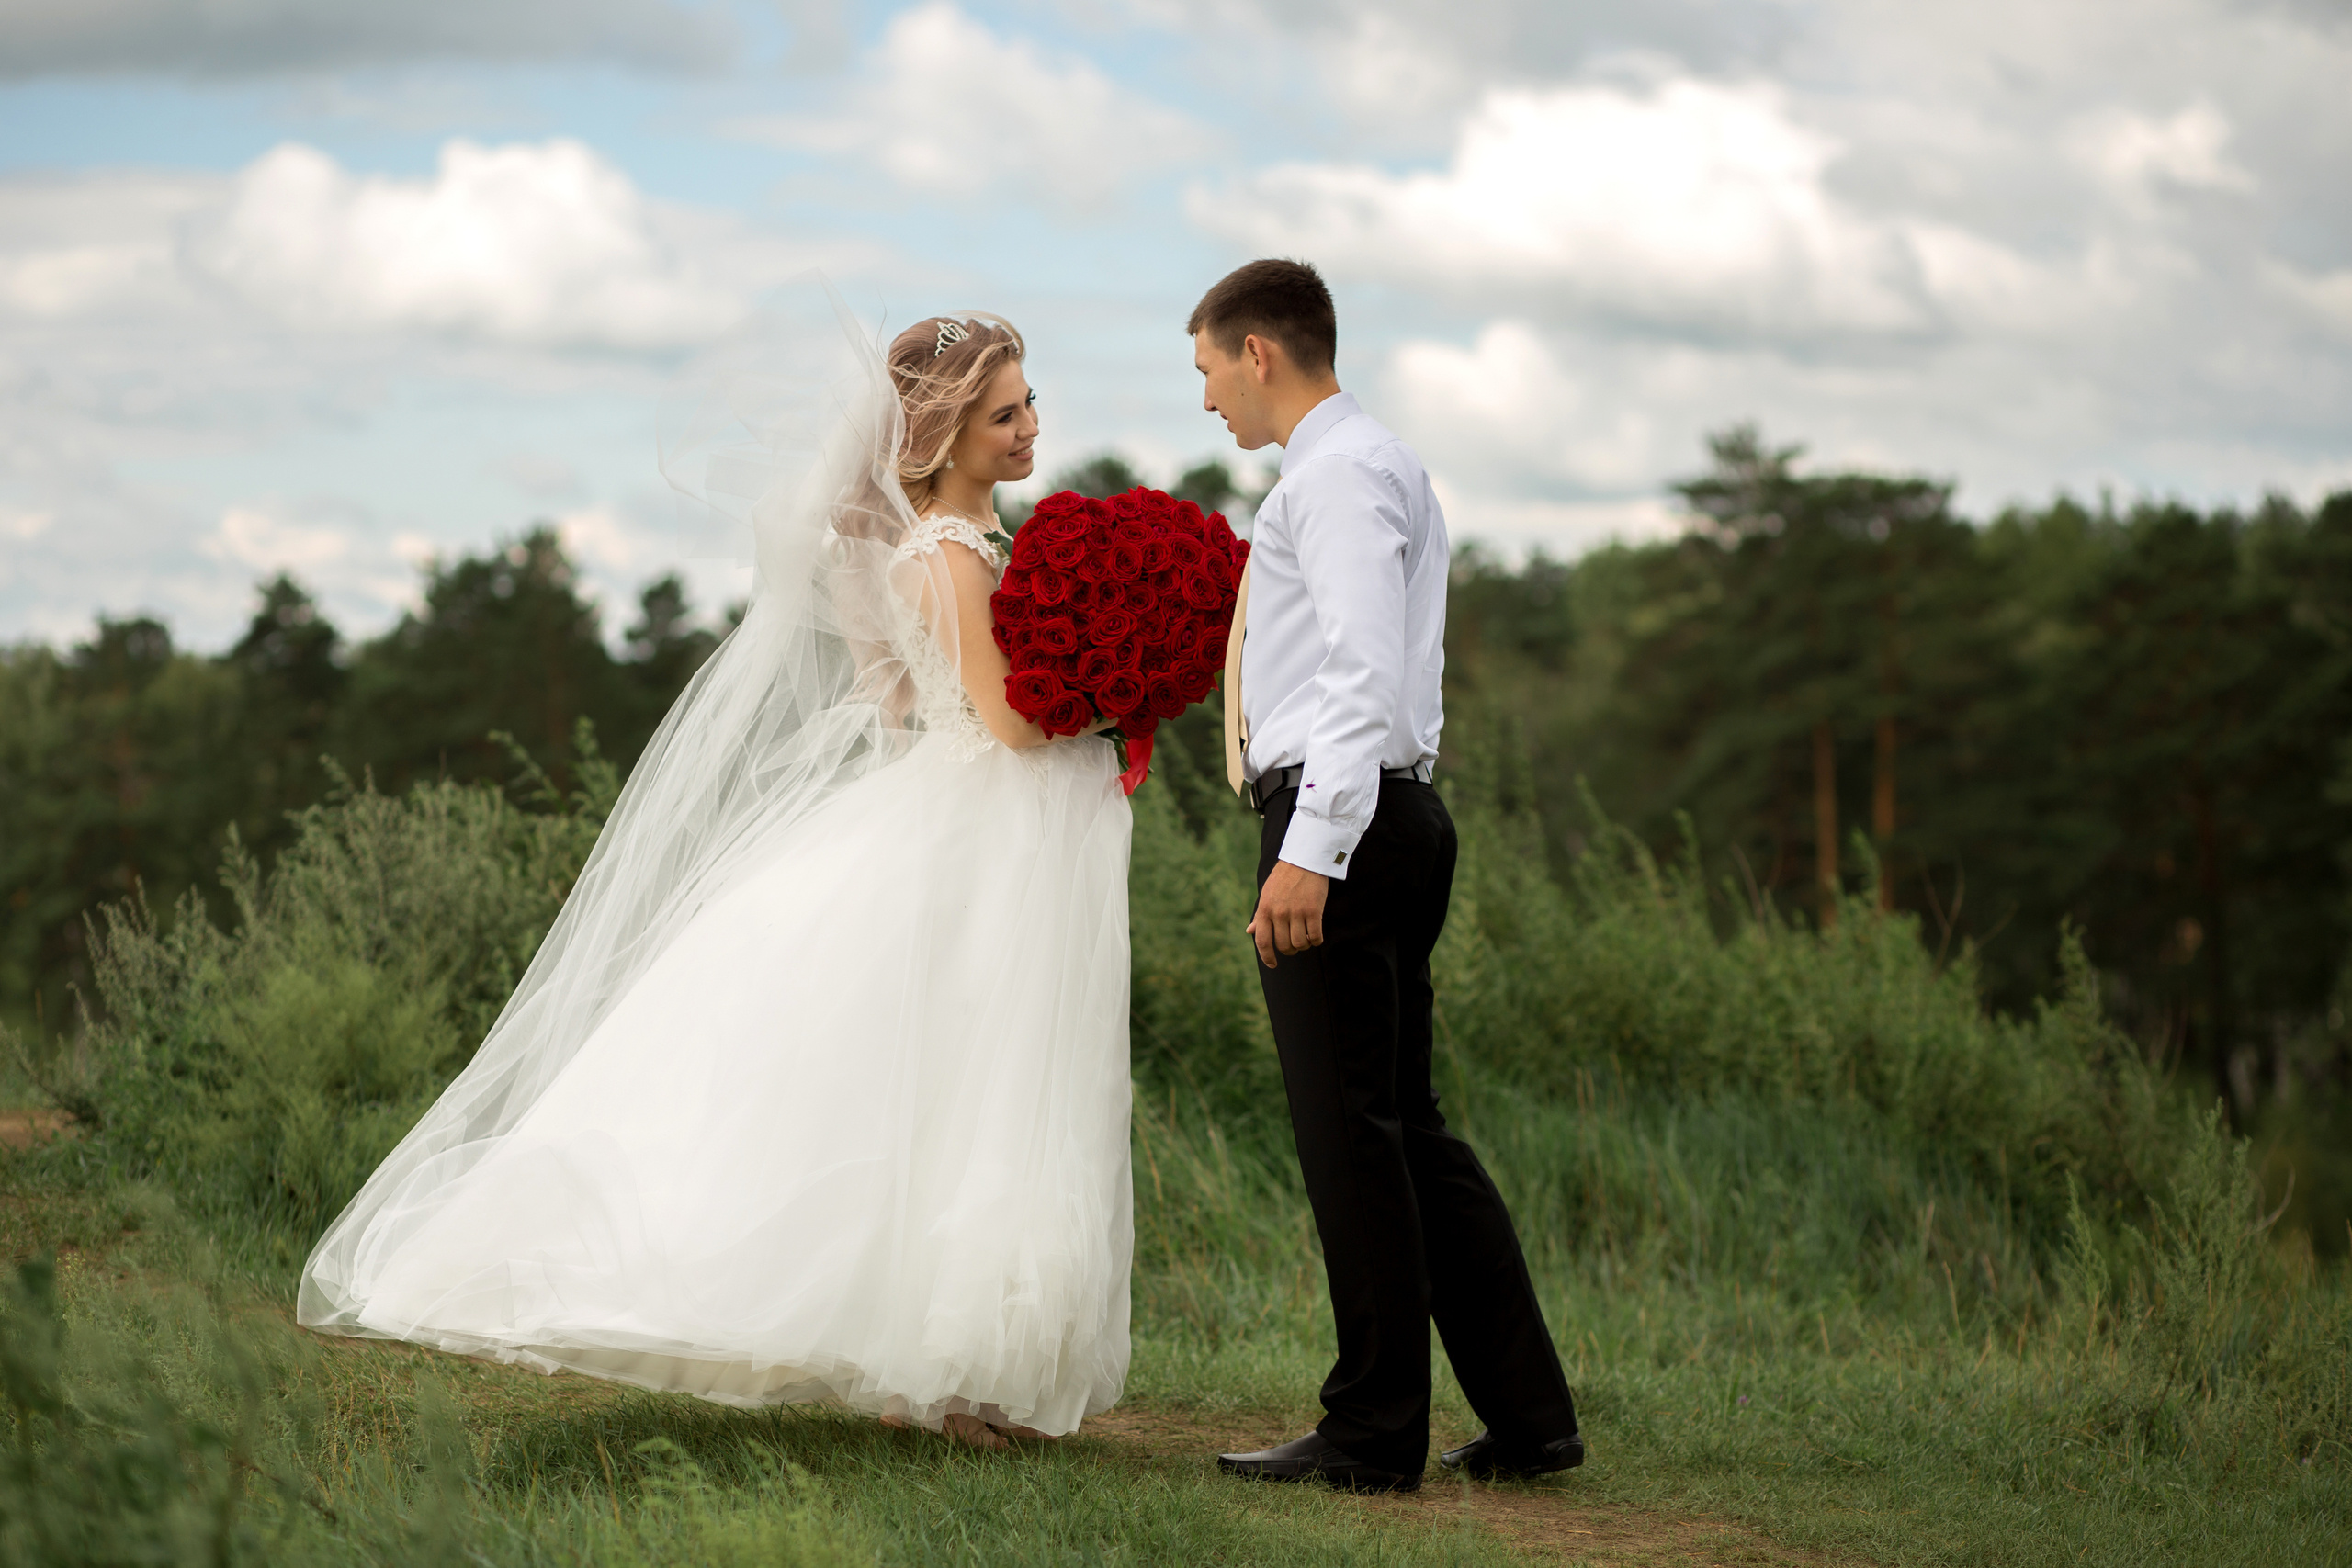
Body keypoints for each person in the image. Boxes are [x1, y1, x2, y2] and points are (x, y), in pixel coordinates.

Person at [299, 288, 1134, 1452]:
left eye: (1029, 401)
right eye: (1004, 414)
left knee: (957, 1083)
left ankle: (942, 1365)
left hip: (978, 824)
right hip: (983, 825)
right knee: (962, 1079)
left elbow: (897, 697)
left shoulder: (972, 548)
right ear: (939, 439)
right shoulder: (946, 558)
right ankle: (940, 1371)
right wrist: (1113, 701)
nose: (1030, 426)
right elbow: (999, 721)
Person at [1193, 259, 1583, 1493]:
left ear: (1260, 352)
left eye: (1208, 369)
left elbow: (1364, 671)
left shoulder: (1339, 473)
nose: (1208, 400)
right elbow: (1406, 667)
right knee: (1403, 1129)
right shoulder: (1375, 464)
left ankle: (1370, 1433)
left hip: (1342, 821)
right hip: (1388, 813)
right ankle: (1528, 1417)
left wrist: (1312, 844)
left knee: (1352, 1137)